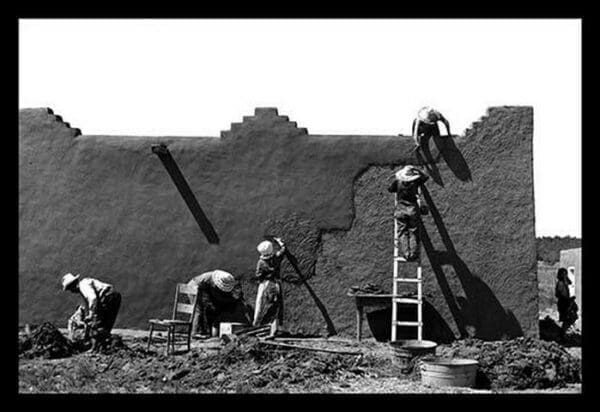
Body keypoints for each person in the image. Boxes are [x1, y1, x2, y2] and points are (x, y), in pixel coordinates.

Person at [61, 273, 122, 351]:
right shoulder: (85, 284)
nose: (72, 292)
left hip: (107, 297)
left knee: (97, 324)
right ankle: (103, 345)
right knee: (105, 324)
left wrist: (91, 315)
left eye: (70, 289)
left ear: (72, 286)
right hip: (113, 296)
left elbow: (93, 299)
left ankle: (95, 348)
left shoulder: (83, 285)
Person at [187, 270, 252, 337]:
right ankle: (195, 333)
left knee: (205, 309)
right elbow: (216, 297)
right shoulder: (213, 283)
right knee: (198, 311)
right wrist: (231, 300)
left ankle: (202, 331)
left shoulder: (219, 279)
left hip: (200, 288)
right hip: (193, 287)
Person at [387, 166, 429, 261]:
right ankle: (413, 254)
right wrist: (417, 170)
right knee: (413, 231)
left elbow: (390, 189)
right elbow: (425, 177)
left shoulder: (398, 182)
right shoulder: (415, 182)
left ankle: (406, 254)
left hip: (400, 210)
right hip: (412, 210)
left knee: (402, 232)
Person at [253, 237, 286, 332]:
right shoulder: (276, 258)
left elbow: (258, 275)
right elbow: (283, 250)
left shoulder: (261, 262)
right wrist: (280, 242)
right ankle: (276, 327)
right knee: (277, 306)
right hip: (276, 284)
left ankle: (258, 326)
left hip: (265, 284)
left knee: (261, 305)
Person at [555, 267, 578, 335]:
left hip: (566, 302)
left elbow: (570, 282)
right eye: (564, 274)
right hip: (563, 303)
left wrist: (566, 278)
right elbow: (559, 294)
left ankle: (563, 333)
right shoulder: (560, 283)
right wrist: (569, 300)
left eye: (566, 274)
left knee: (570, 318)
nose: (565, 275)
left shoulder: (564, 282)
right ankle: (562, 333)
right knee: (567, 318)